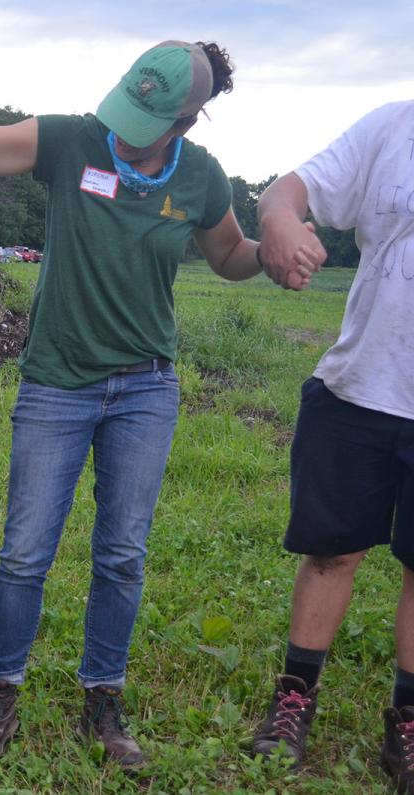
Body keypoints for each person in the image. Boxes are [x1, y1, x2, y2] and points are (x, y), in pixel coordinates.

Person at [0, 41, 280, 767]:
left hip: (145, 388)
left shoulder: (201, 178)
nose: (125, 129)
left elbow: (229, 255)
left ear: (188, 120)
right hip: (57, 382)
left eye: (147, 120)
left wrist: (273, 251)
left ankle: (103, 700)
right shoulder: (73, 140)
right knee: (25, 551)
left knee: (123, 554)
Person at [249, 101, 414, 793]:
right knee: (332, 551)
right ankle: (295, 697)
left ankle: (407, 721)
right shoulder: (394, 127)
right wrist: (282, 222)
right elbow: (288, 192)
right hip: (362, 385)